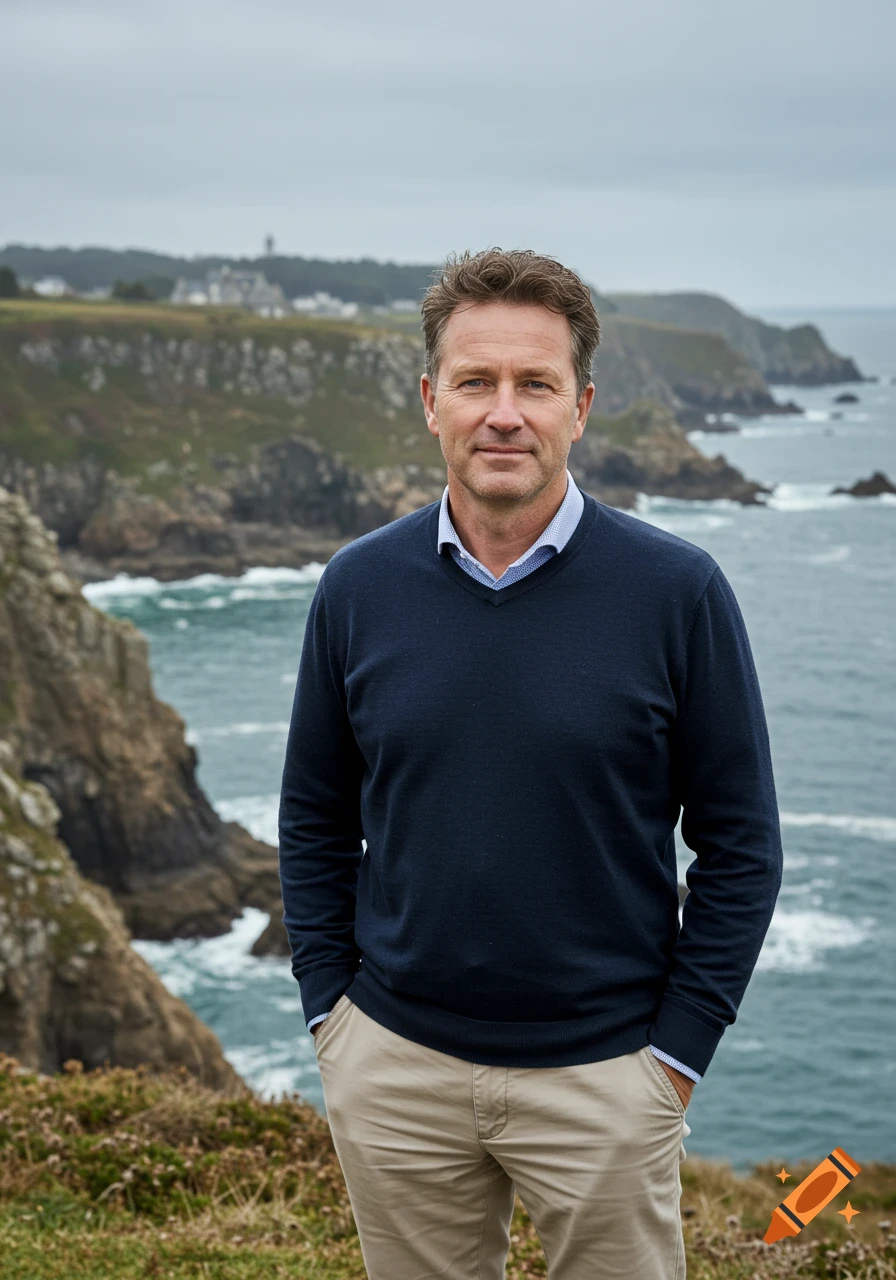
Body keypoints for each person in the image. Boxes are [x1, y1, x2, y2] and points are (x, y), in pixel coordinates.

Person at [277, 248, 783, 1279]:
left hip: (606, 1074)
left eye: (533, 384)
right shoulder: (355, 587)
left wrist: (673, 1058)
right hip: (395, 1065)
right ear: (431, 401)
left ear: (580, 405)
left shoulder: (676, 592)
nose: (502, 412)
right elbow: (313, 816)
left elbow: (740, 843)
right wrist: (333, 1017)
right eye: (474, 382)